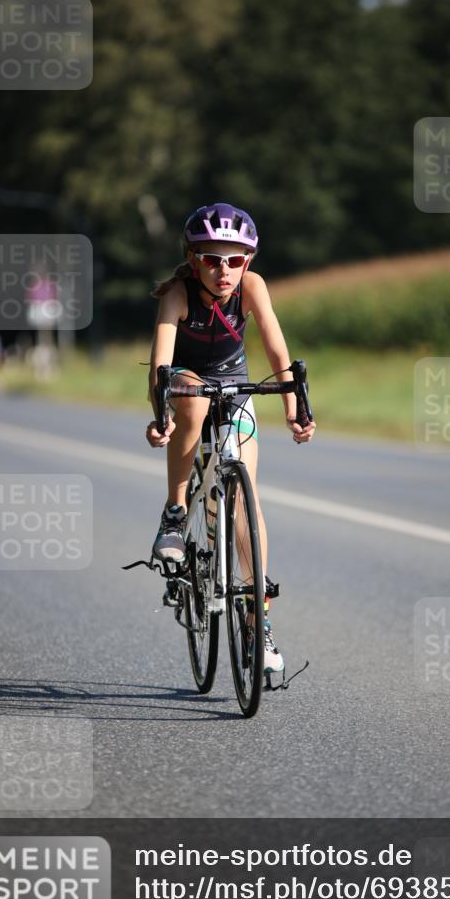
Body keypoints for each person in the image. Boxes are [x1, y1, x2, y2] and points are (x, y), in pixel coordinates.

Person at [146, 202, 316, 676]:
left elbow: (276, 347)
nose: (224, 270)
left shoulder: (252, 288)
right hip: (182, 378)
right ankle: (176, 513)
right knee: (195, 402)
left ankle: (255, 619)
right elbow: (160, 363)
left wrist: (292, 409)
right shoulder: (177, 295)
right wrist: (160, 415)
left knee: (244, 502)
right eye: (212, 259)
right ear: (193, 258)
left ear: (249, 262)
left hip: (234, 378)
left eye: (235, 259)